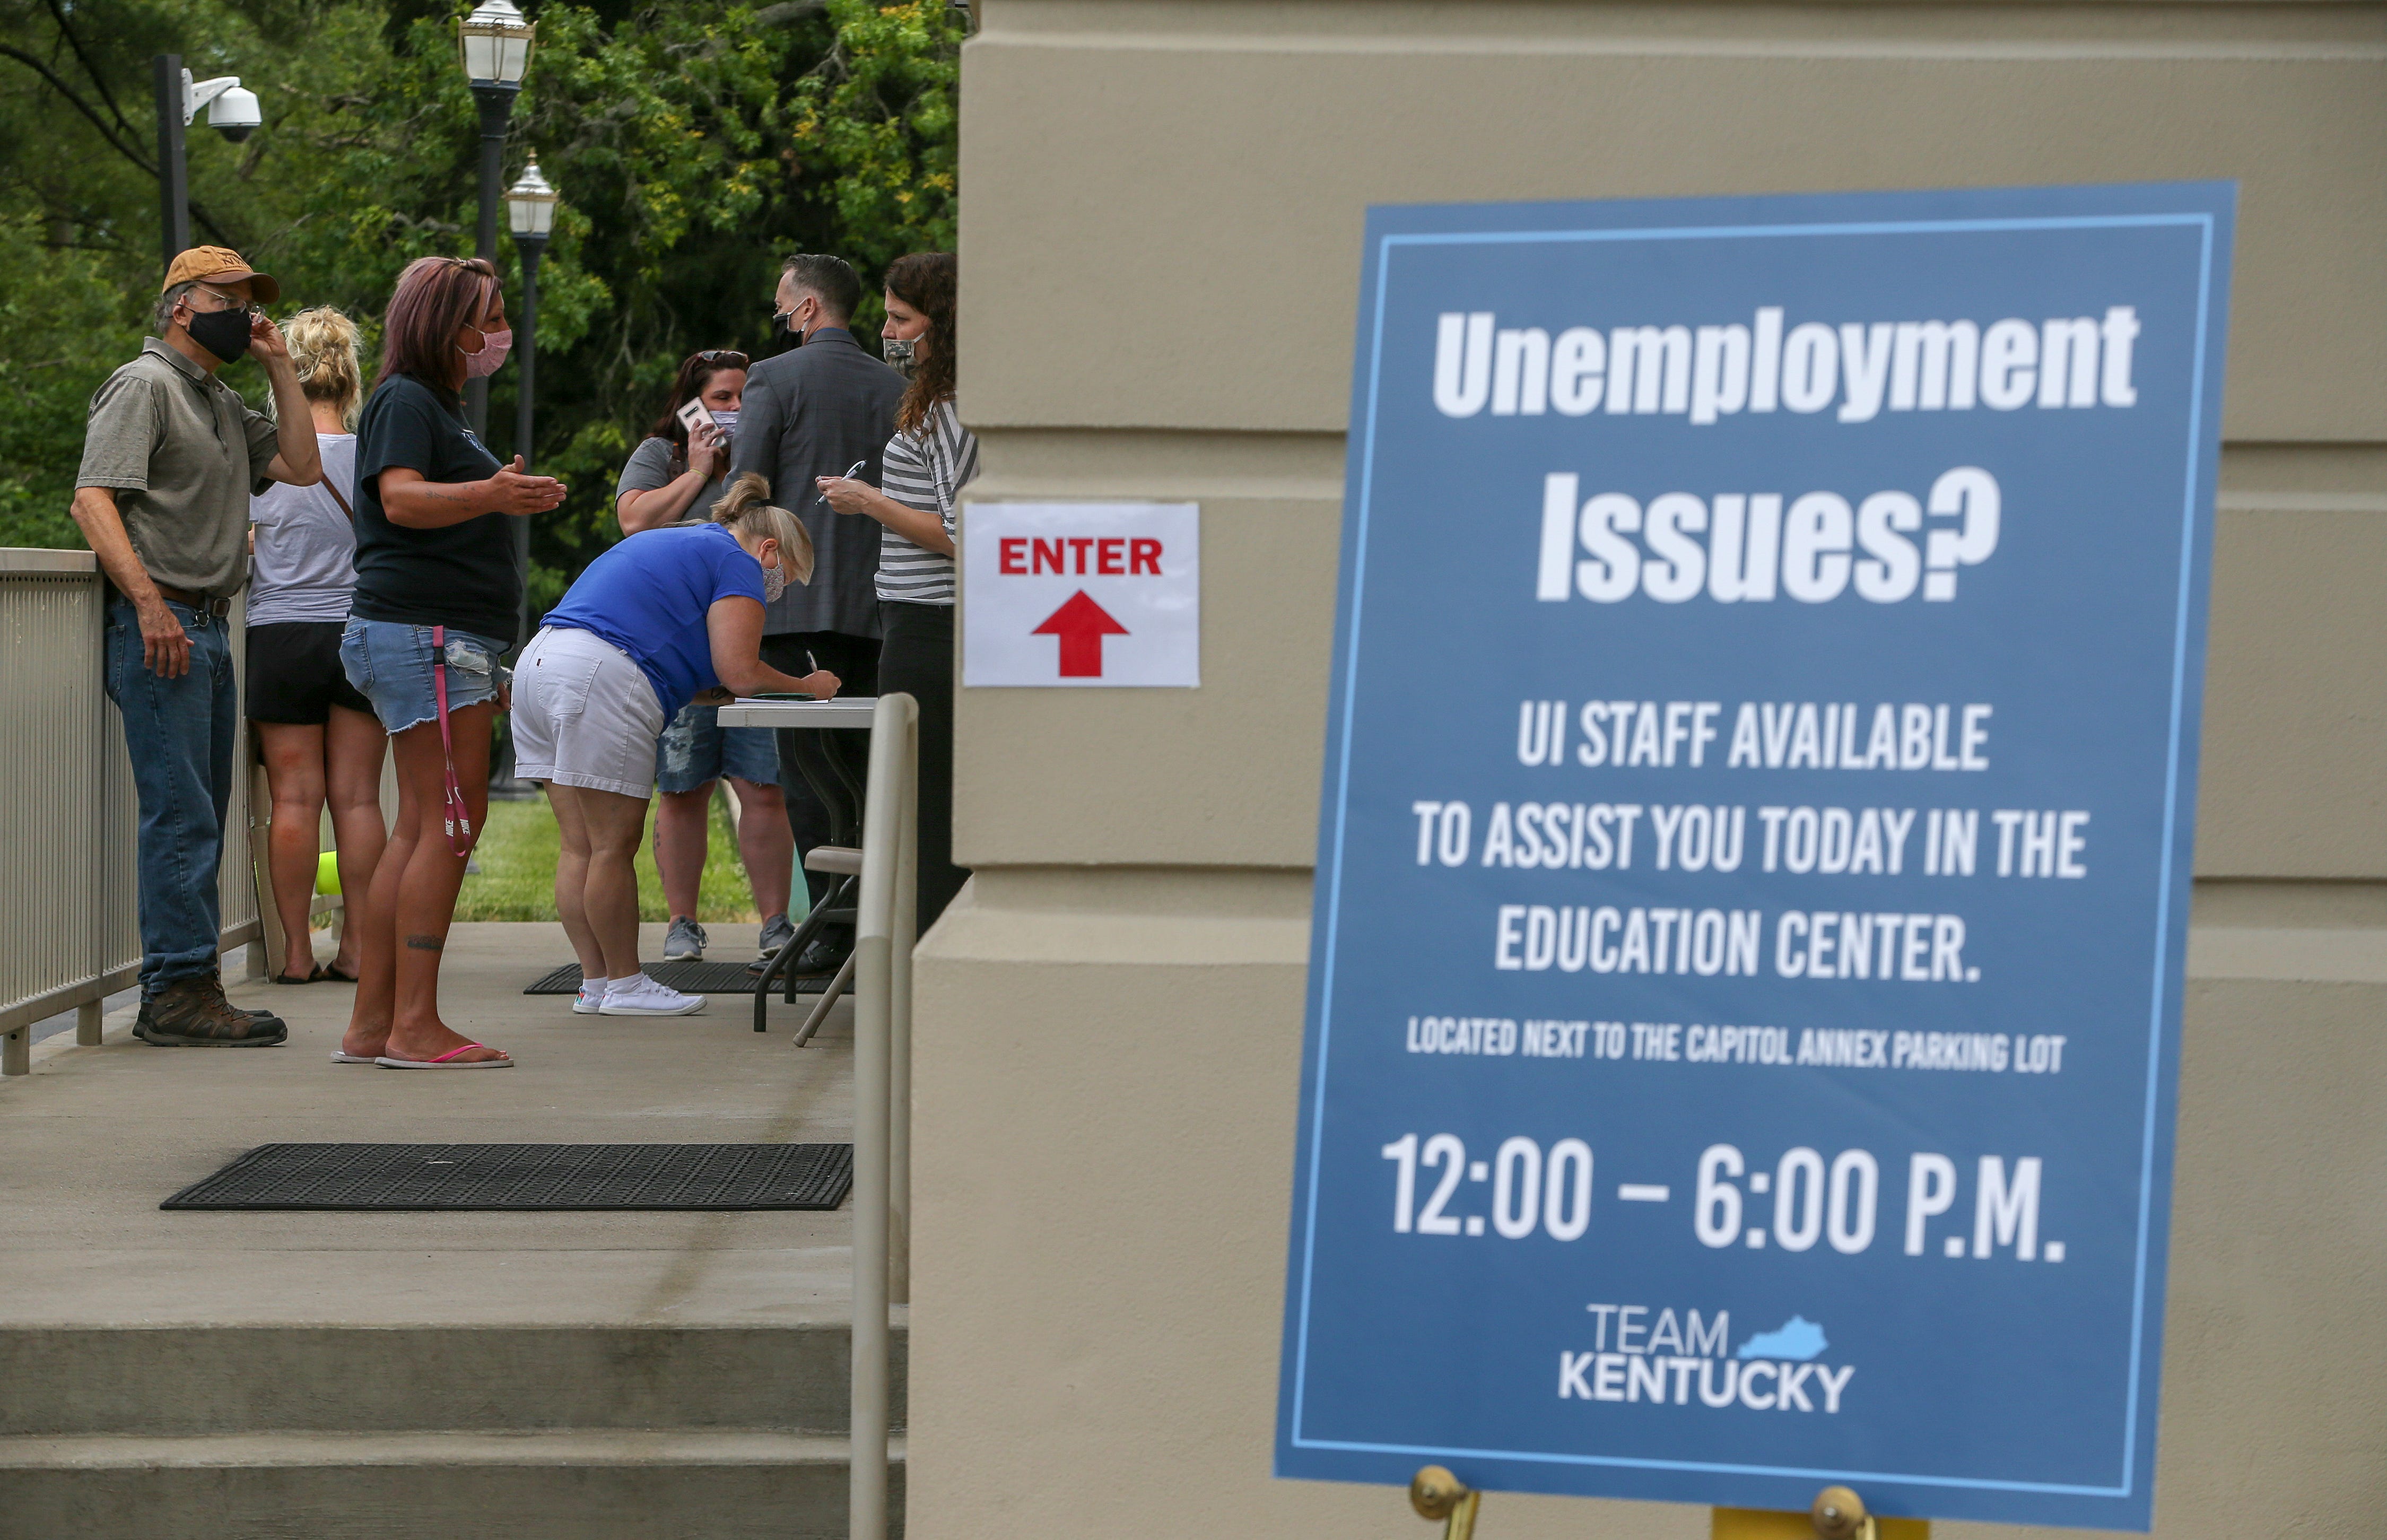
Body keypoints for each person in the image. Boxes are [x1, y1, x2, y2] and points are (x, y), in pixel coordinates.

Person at [71, 246, 323, 1047]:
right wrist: (146, 603)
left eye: (253, 302)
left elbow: (304, 464)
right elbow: (91, 499)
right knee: (183, 818)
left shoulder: (216, 397)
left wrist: (281, 365)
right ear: (182, 305)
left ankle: (189, 983)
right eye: (230, 299)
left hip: (210, 624)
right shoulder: (143, 386)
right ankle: (177, 991)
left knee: (202, 814)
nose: (246, 314)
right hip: (164, 625)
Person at [335, 255, 566, 1070]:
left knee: (421, 825)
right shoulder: (405, 400)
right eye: (488, 315)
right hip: (426, 635)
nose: (499, 331)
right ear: (445, 324)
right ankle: (414, 1025)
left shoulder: (435, 406)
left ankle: (373, 1025)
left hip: (431, 639)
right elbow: (399, 497)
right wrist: (494, 495)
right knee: (450, 823)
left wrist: (492, 489)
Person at [513, 474, 840, 1017]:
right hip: (600, 676)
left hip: (543, 663)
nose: (777, 590)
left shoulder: (681, 539)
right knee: (614, 846)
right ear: (768, 549)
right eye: (785, 575)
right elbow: (738, 671)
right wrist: (808, 685)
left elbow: (691, 659)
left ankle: (595, 984)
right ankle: (626, 984)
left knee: (581, 846)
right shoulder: (737, 561)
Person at [728, 254, 905, 974]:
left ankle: (831, 929)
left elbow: (750, 484)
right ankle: (872, 920)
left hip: (796, 603)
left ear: (806, 311)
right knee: (867, 767)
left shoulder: (775, 377)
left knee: (808, 773)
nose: (779, 318)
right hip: (880, 600)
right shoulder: (897, 386)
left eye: (781, 306)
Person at [615, 350, 797, 965]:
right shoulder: (658, 454)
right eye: (723, 397)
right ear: (692, 403)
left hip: (750, 646)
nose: (736, 409)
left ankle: (776, 922)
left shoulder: (763, 454)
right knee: (684, 786)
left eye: (745, 396)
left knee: (764, 785)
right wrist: (696, 471)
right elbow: (633, 522)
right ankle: (682, 923)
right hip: (679, 653)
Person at [817, 251, 975, 930]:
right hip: (914, 622)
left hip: (933, 626)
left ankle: (926, 963)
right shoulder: (937, 405)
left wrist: (867, 500)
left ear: (943, 325)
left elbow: (962, 534)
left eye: (900, 318)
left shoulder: (953, 410)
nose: (887, 331)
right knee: (916, 805)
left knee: (928, 809)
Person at [246, 306, 386, 986]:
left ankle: (295, 953)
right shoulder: (374, 459)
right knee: (357, 799)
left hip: (279, 633)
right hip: (359, 634)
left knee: (293, 801)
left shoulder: (266, 459)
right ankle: (358, 948)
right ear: (351, 379)